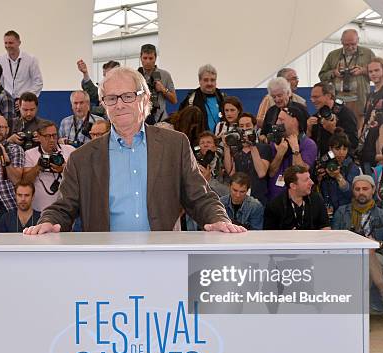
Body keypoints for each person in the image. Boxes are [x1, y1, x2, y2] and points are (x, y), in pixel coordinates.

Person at [23, 66, 243, 234]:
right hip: (106, 262)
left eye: (128, 96)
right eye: (111, 98)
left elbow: (200, 198)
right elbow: (63, 206)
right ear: (104, 104)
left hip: (163, 258)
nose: (119, 104)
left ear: (145, 98)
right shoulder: (81, 158)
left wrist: (218, 219)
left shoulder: (175, 145)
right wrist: (48, 223)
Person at [332, 175, 383, 310]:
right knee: (364, 266)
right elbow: (334, 238)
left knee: (367, 251)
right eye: (357, 189)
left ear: (373, 190)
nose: (361, 192)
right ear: (353, 191)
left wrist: (375, 244)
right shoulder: (342, 212)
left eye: (365, 189)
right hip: (347, 254)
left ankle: (355, 313)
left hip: (377, 255)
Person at [319, 29, 375, 127]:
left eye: (353, 44)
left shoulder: (368, 54)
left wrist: (362, 71)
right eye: (346, 44)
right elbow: (322, 75)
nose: (350, 47)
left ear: (358, 40)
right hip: (338, 101)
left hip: (359, 101)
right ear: (341, 41)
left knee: (358, 129)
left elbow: (377, 75)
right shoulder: (333, 55)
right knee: (339, 128)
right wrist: (333, 73)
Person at [23, 121, 75, 220]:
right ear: (38, 137)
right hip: (39, 210)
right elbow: (25, 182)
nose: (52, 140)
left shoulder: (70, 151)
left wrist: (63, 169)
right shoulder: (30, 154)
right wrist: (38, 167)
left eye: (54, 135)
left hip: (65, 210)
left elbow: (80, 178)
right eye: (47, 136)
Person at [267, 104, 317, 201]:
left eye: (281, 120)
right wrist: (280, 154)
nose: (277, 123)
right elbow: (271, 173)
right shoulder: (275, 142)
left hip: (297, 199)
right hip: (274, 199)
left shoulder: (308, 144)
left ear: (294, 121)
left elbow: (301, 173)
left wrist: (295, 150)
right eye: (277, 119)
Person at [223, 112, 272, 205]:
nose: (244, 128)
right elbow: (230, 172)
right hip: (239, 197)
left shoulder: (264, 148)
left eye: (248, 125)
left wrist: (252, 145)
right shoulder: (235, 149)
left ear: (254, 127)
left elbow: (261, 173)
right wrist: (226, 147)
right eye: (241, 126)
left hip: (259, 197)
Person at [264, 165, 330, 230]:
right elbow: (269, 236)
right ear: (293, 186)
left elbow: (325, 227)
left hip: (313, 240)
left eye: (310, 178)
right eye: (306, 180)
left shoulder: (317, 199)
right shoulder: (274, 206)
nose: (312, 182)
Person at [317, 128, 361, 216]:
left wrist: (338, 176)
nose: (341, 152)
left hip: (346, 213)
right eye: (337, 149)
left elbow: (352, 194)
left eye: (344, 149)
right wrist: (318, 179)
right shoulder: (323, 163)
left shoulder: (352, 168)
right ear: (330, 149)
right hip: (326, 211)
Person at [306, 82, 359, 156]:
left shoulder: (345, 114)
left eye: (316, 97)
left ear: (328, 96)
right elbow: (311, 145)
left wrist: (333, 130)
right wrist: (308, 130)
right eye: (312, 97)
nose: (312, 100)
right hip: (322, 162)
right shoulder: (316, 117)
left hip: (341, 162)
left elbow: (353, 143)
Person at [137, 44, 176, 124]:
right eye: (145, 58)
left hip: (161, 119)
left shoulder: (165, 75)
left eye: (151, 58)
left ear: (155, 58)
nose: (148, 61)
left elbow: (174, 100)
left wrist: (163, 89)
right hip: (140, 119)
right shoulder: (135, 76)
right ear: (140, 58)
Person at [179, 64, 225, 132]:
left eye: (212, 80)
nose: (209, 83)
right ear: (200, 81)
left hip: (220, 140)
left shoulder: (223, 98)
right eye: (206, 80)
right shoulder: (191, 99)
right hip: (199, 140)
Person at [0, 30, 43, 99]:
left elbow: (38, 82)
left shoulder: (31, 59)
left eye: (10, 43)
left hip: (26, 102)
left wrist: (26, 98)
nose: (7, 46)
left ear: (19, 43)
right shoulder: (0, 59)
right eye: (5, 43)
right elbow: (0, 82)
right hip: (7, 101)